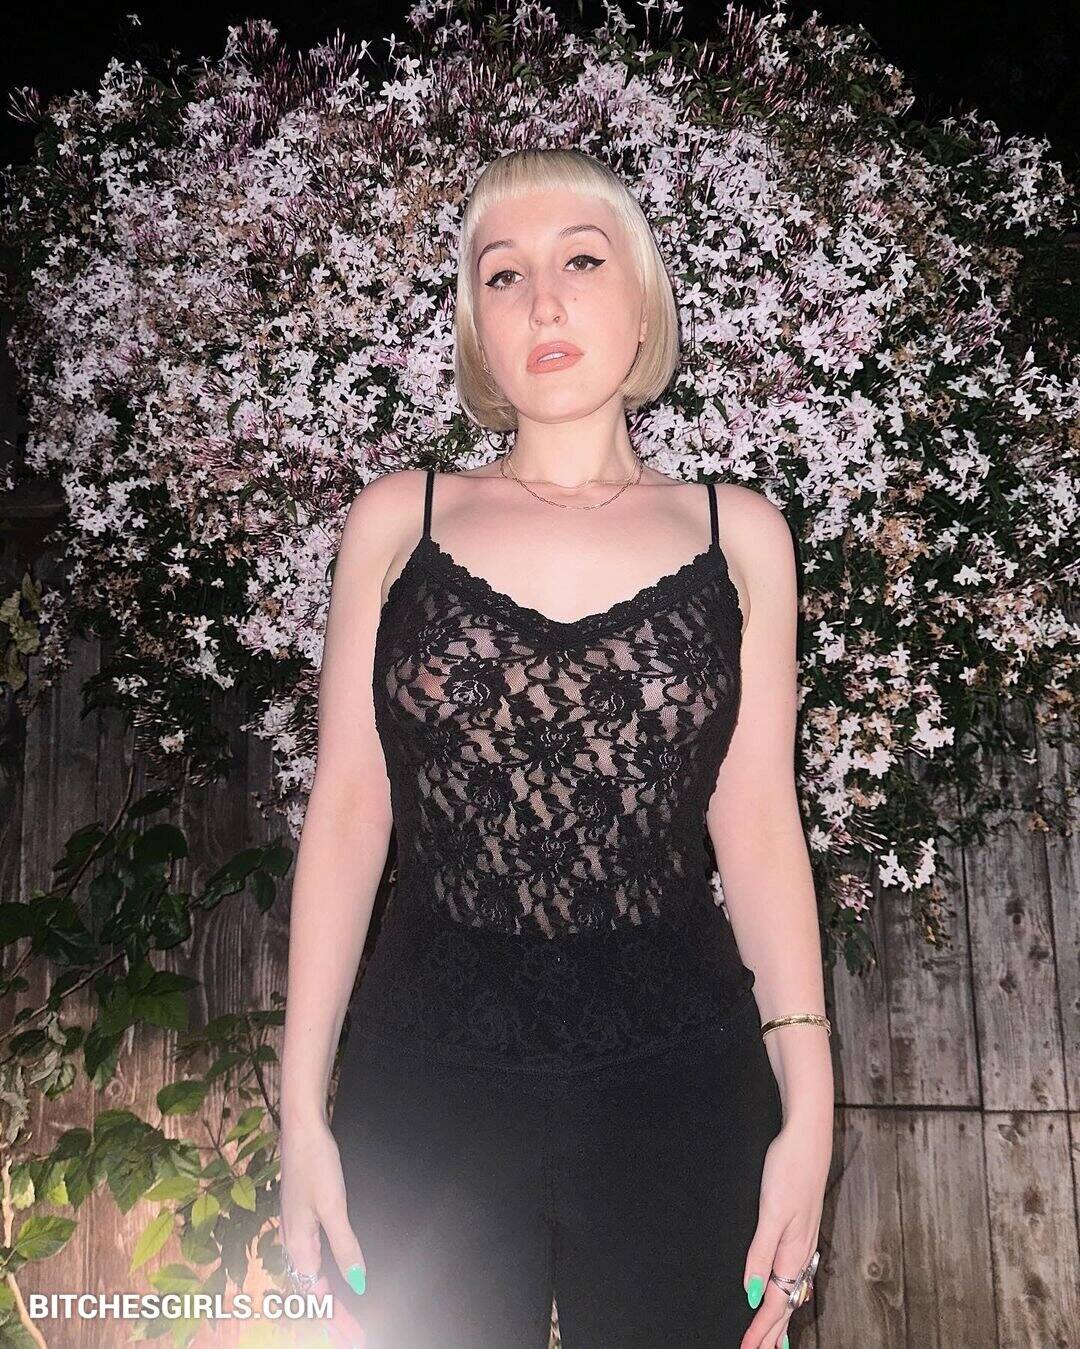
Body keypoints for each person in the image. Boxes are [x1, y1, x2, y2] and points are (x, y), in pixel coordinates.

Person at [278, 147, 834, 1349]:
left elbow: (757, 823)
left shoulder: (742, 535)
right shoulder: (399, 519)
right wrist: (299, 1112)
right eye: (503, 274)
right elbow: (349, 814)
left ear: (642, 300)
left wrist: (811, 1109)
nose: (541, 301)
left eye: (581, 261)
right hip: (425, 1078)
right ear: (476, 327)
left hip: (684, 1081)